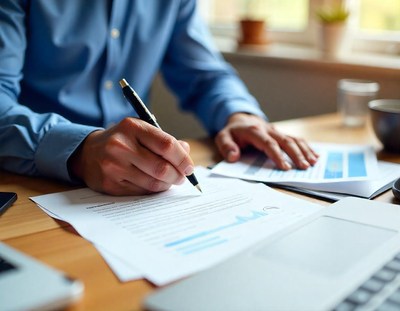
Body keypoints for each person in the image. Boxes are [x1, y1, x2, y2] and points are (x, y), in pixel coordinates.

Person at [0, 0, 318, 196]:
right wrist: (79, 149)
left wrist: (238, 115)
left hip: (132, 190)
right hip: (27, 183)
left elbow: (205, 75)